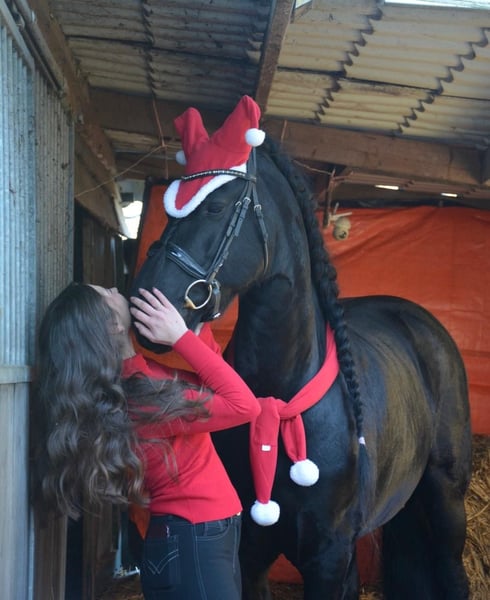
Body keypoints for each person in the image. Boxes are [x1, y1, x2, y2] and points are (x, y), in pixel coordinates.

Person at [33, 282, 261, 600]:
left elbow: (210, 387)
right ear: (112, 326)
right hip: (192, 540)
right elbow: (244, 406)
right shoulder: (140, 400)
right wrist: (180, 338)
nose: (116, 288)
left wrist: (196, 328)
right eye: (107, 293)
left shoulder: (139, 378)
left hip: (196, 537)